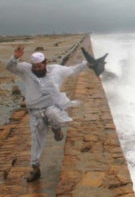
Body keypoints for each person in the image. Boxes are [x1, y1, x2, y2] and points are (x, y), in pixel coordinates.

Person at [6, 46, 89, 182]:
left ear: (45, 63)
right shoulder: (26, 70)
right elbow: (10, 67)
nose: (37, 69)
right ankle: (35, 168)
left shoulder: (56, 70)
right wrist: (15, 57)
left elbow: (73, 70)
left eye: (39, 66)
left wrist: (87, 64)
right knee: (36, 140)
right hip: (35, 112)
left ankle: (56, 128)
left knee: (54, 114)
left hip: (52, 107)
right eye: (35, 67)